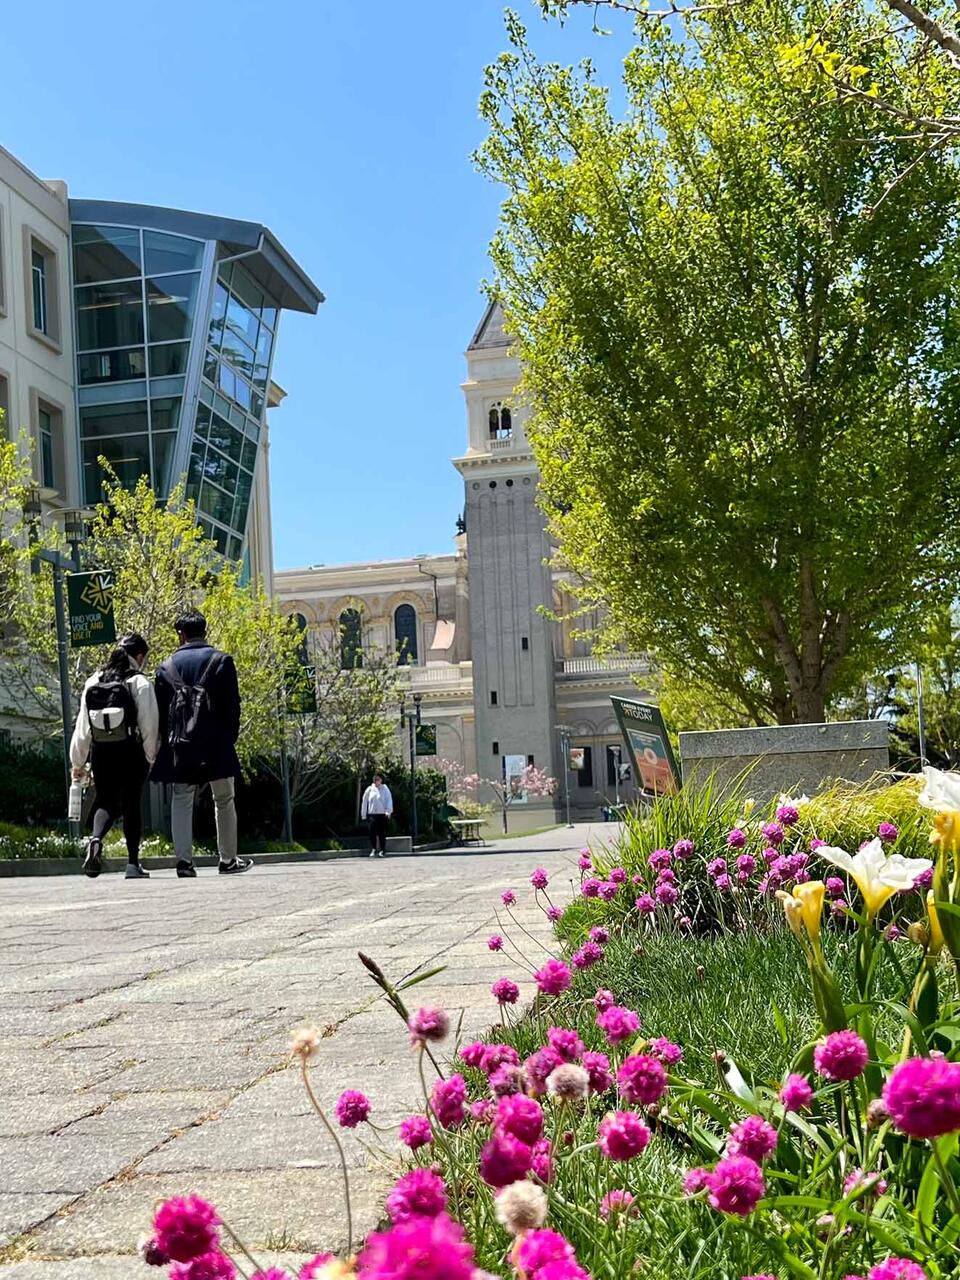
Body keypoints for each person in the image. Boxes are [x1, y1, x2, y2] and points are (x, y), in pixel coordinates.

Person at [152, 610, 251, 877]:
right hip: (216, 744)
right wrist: (228, 740)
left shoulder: (165, 667)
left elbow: (161, 713)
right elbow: (233, 707)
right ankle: (228, 860)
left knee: (181, 798)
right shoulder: (222, 660)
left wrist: (167, 745)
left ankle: (184, 862)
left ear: (181, 634)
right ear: (204, 631)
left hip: (181, 746)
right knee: (224, 799)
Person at [70, 632, 159, 880]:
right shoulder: (140, 682)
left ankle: (96, 838)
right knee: (132, 804)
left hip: (101, 752)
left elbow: (83, 726)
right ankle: (132, 864)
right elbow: (149, 725)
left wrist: (77, 762)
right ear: (139, 656)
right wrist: (150, 755)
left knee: (106, 801)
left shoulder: (93, 681)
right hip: (130, 750)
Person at [361, 771, 393, 858]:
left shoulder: (385, 790)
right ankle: (374, 849)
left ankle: (382, 850)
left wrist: (388, 811)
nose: (376, 781)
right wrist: (364, 814)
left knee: (381, 833)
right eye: (375, 779)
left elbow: (389, 801)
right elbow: (364, 802)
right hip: (372, 814)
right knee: (372, 832)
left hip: (382, 814)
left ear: (381, 780)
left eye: (378, 779)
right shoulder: (369, 789)